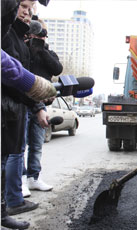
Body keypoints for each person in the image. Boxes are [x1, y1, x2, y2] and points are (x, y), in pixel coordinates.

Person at [1, 0, 53, 228]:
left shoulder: (20, 37)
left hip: (14, 108)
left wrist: (38, 104)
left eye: (30, 7)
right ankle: (11, 201)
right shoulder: (8, 35)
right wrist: (32, 87)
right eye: (22, 5)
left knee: (7, 157)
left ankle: (3, 212)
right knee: (9, 157)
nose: (26, 11)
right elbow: (13, 74)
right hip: (7, 106)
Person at [21, 18, 63, 197]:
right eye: (36, 32)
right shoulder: (23, 49)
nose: (39, 35)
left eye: (42, 33)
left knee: (37, 144)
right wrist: (30, 47)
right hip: (22, 102)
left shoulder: (48, 53)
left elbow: (57, 68)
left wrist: (42, 49)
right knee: (19, 146)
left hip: (41, 107)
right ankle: (20, 181)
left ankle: (34, 177)